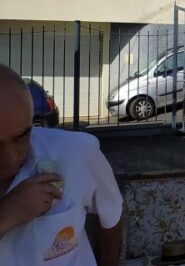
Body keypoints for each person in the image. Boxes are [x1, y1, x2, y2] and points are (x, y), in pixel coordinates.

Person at [0, 64, 123, 266]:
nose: (9, 157)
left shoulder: (75, 152)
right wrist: (7, 215)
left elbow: (111, 214)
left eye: (21, 135)